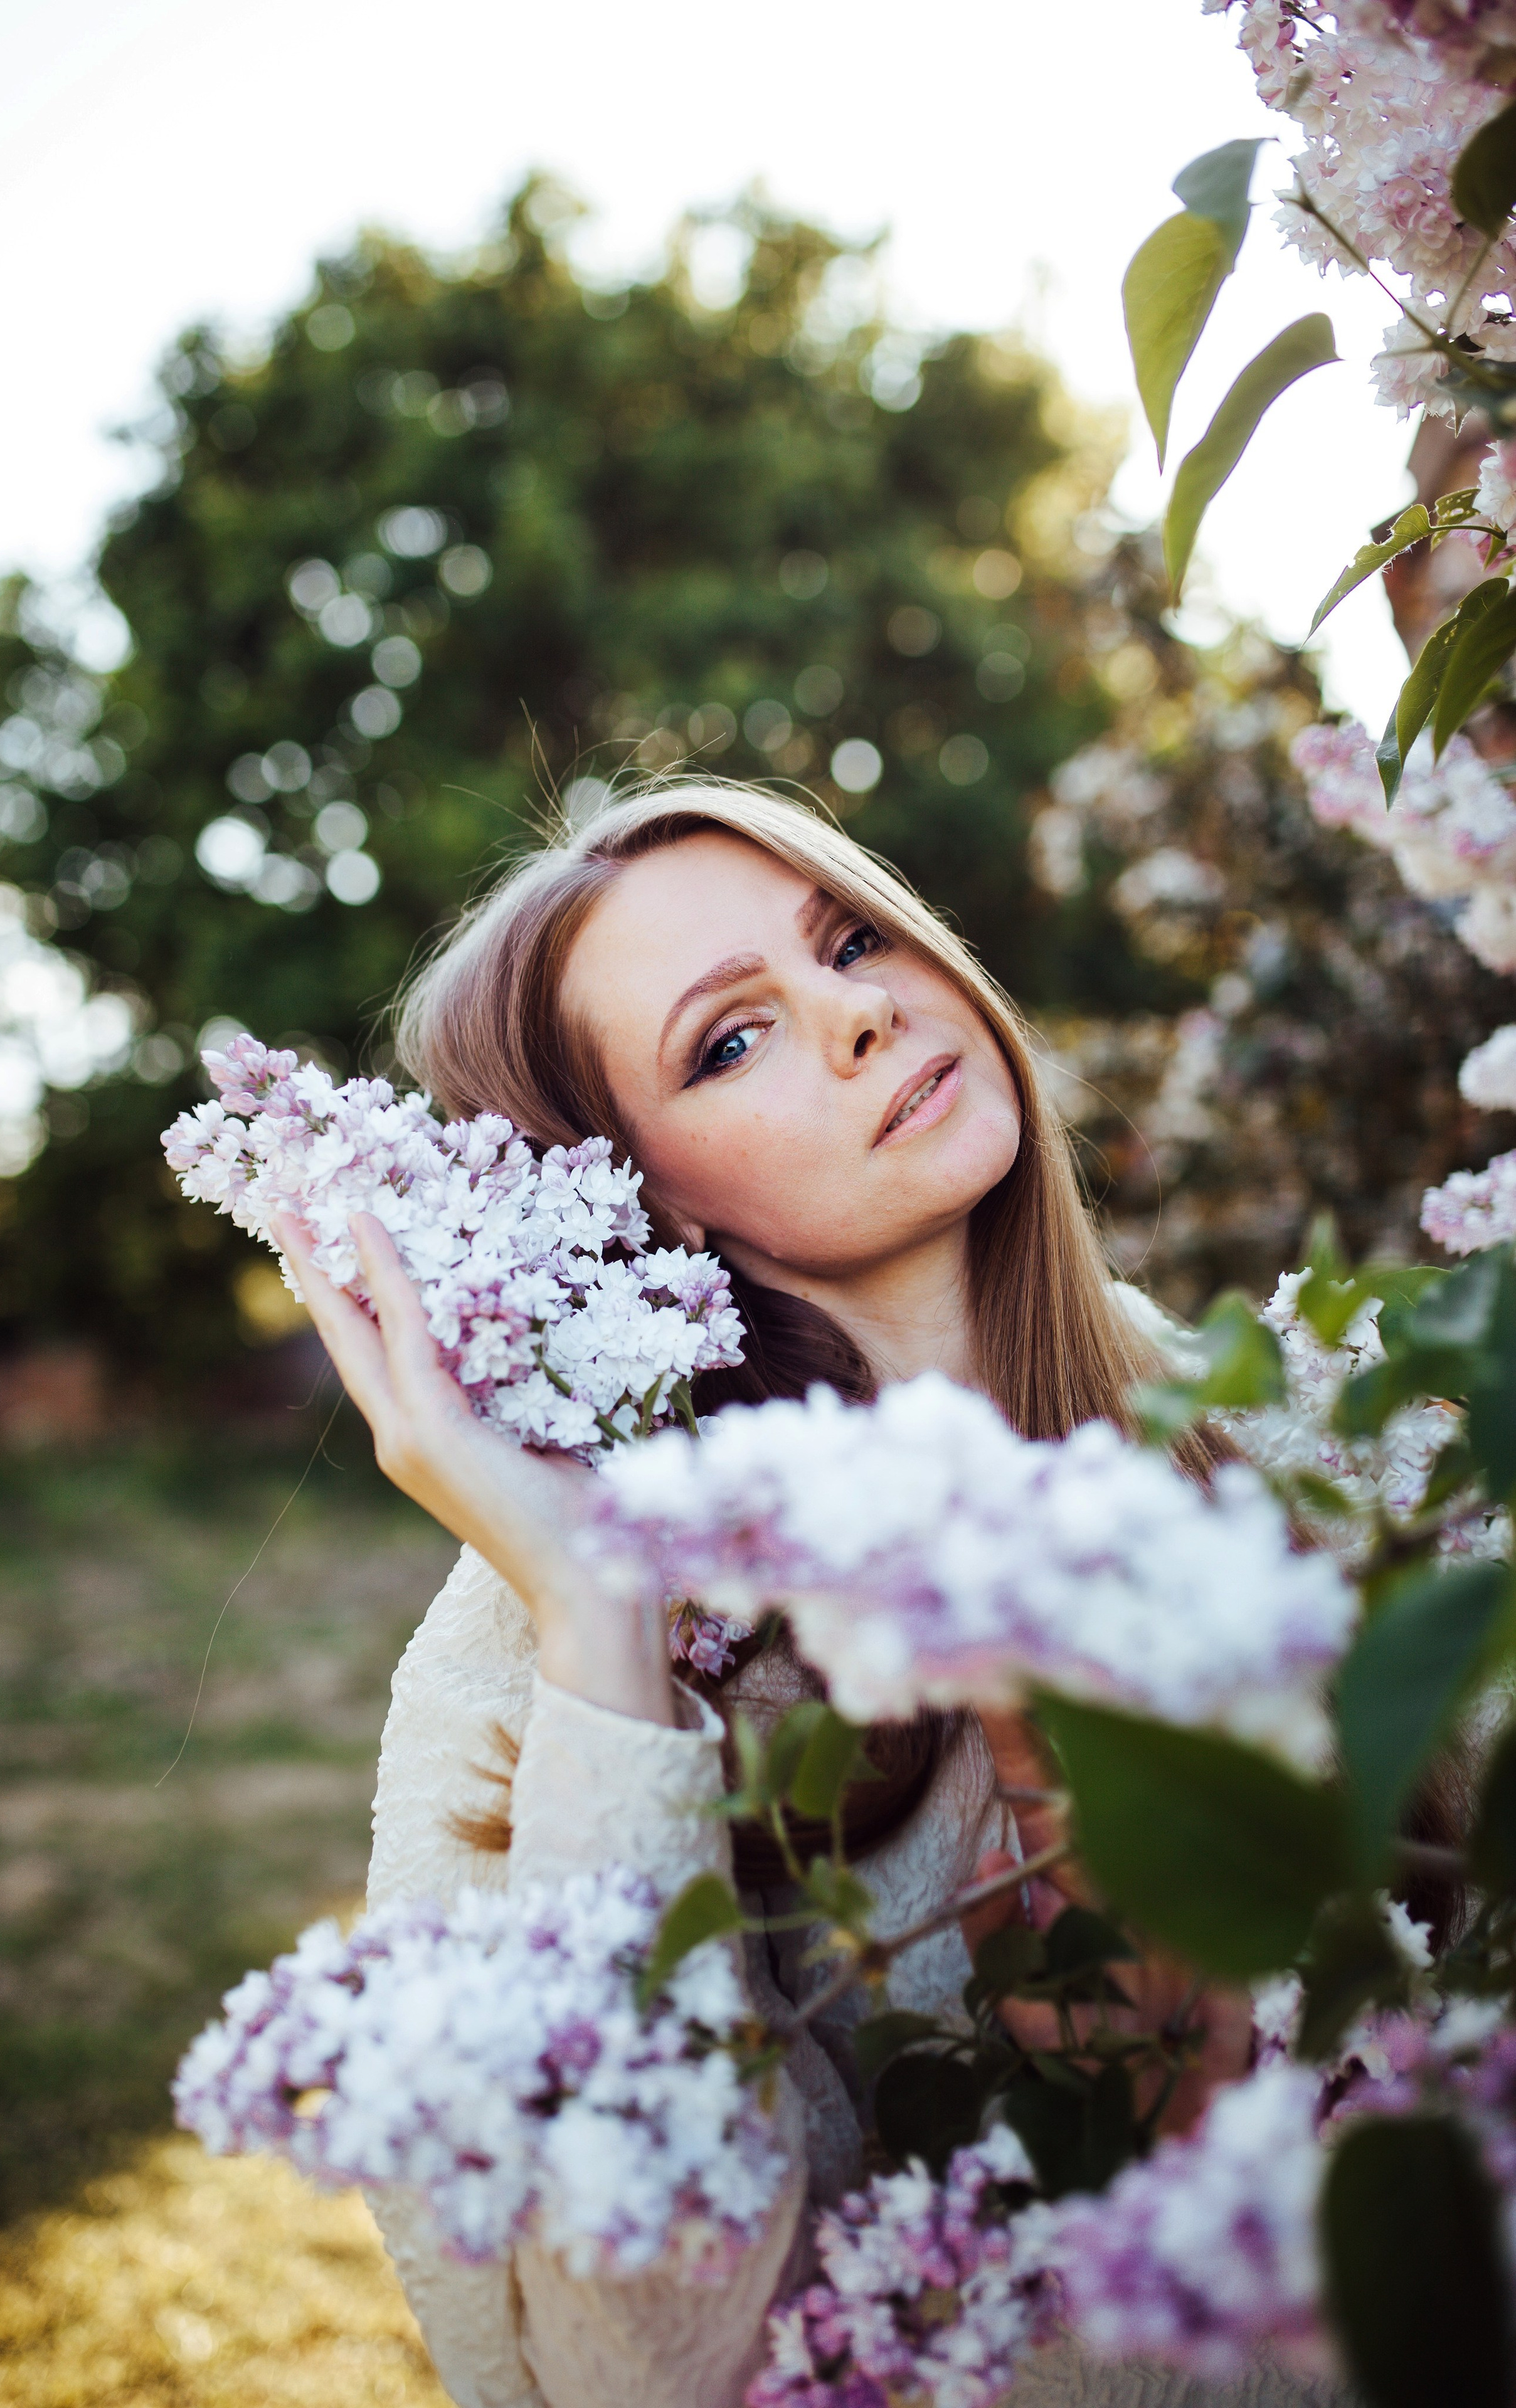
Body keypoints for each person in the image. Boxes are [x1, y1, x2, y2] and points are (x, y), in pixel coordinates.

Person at [275, 783, 1318, 2408]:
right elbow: (645, 2371)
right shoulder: (518, 1673)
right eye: (729, 1042)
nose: (854, 1013)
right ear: (647, 1203)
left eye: (848, 938)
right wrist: (598, 1620)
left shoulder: (1290, 1430)